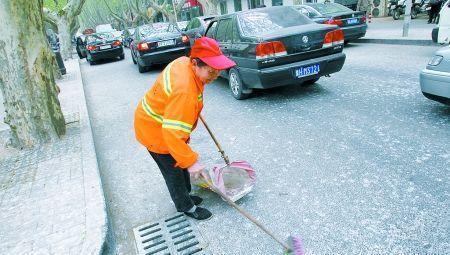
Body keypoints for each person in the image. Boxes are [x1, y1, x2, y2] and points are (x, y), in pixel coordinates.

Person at [134, 37, 236, 221]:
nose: (214, 77)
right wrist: (191, 163)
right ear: (195, 63)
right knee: (174, 170)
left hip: (163, 119)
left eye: (218, 72)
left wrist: (193, 107)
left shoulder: (184, 62)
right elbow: (172, 134)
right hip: (154, 131)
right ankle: (186, 206)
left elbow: (180, 99)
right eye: (211, 72)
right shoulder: (185, 91)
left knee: (180, 162)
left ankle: (186, 194)